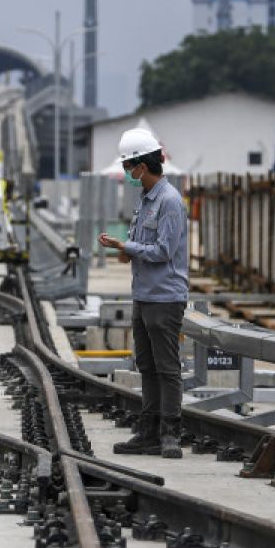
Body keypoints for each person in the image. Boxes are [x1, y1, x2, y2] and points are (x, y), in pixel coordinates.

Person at [98, 128, 189, 459]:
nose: (128, 174)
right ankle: (148, 431)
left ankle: (170, 434)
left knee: (167, 367)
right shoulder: (145, 202)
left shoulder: (169, 202)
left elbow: (164, 250)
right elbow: (139, 249)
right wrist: (122, 249)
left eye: (129, 167)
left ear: (142, 165)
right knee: (147, 366)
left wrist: (127, 245)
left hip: (165, 297)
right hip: (144, 295)